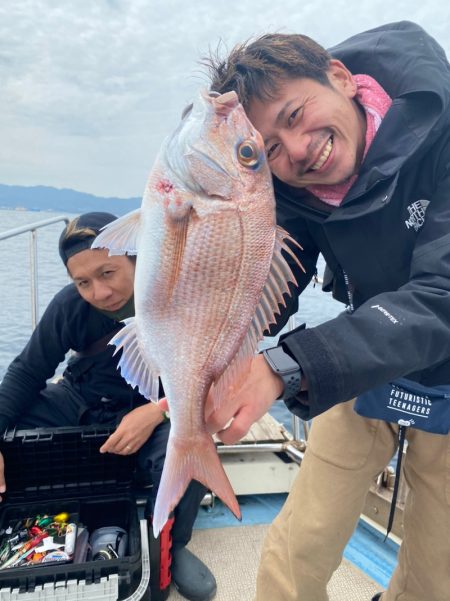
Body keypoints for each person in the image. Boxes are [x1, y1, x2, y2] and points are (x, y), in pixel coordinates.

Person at [204, 20, 450, 601]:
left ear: (341, 78)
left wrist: (285, 366)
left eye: (293, 115)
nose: (296, 150)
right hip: (364, 368)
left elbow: (441, 295)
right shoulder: (291, 188)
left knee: (435, 569)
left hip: (433, 357)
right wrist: (210, 352)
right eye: (267, 149)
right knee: (298, 547)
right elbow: (272, 281)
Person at [0, 212, 217, 601]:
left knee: (189, 442)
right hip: (83, 397)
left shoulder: (178, 300)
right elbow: (26, 372)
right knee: (14, 423)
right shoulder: (70, 306)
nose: (99, 293)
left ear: (137, 258)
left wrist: (155, 412)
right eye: (83, 282)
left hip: (158, 403)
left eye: (108, 273)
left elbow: (211, 382)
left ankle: (175, 543)